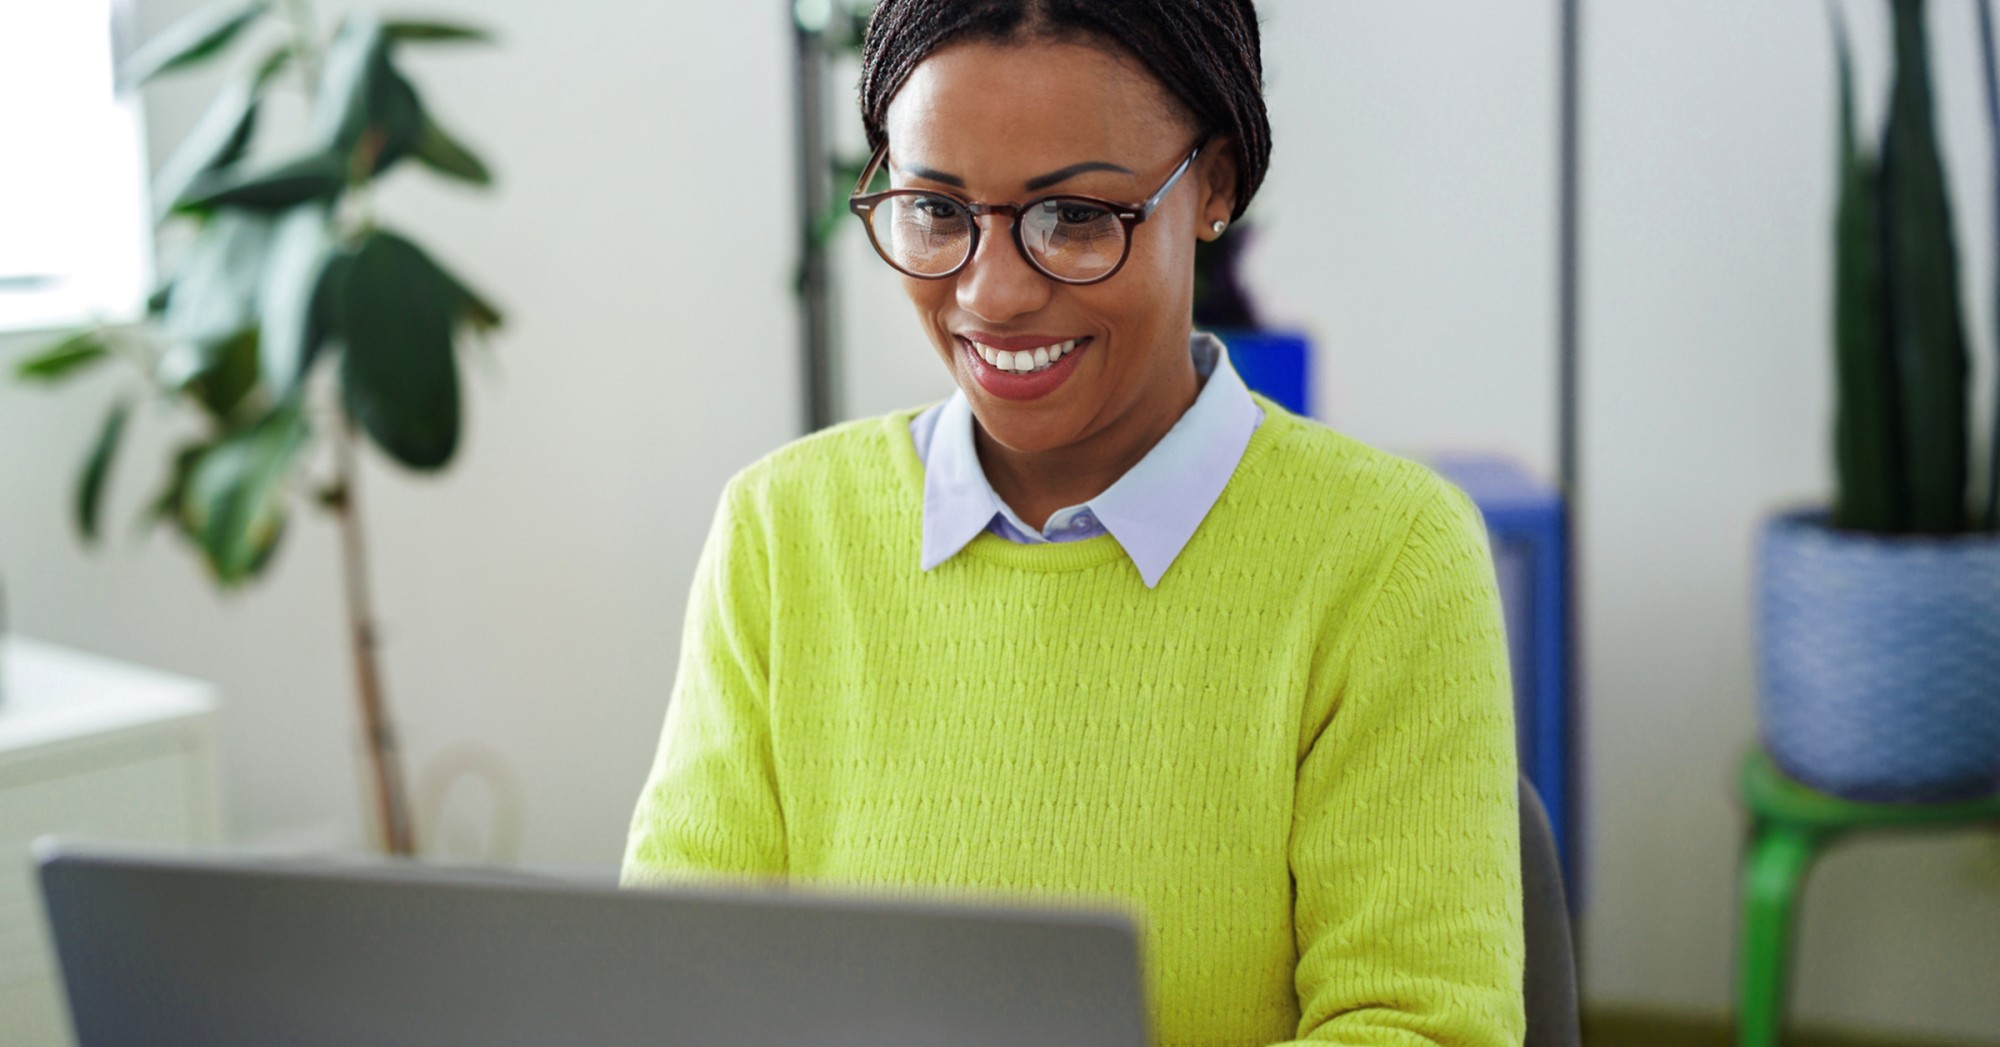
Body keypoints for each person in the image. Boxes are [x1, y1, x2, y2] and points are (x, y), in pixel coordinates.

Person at [622, 1, 1525, 1043]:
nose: (991, 292)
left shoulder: (1386, 559)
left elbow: (1421, 1025)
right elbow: (676, 993)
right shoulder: (780, 534)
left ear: (1214, 185)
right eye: (934, 211)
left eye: (1076, 218)